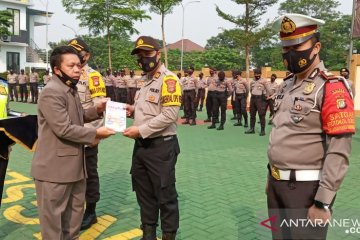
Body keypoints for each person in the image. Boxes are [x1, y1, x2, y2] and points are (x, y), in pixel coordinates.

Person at [267, 14, 355, 239]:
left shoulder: (331, 88)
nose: (290, 53)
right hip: (278, 185)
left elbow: (339, 151)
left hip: (307, 191)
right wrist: (271, 178)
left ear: (316, 47)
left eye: (296, 46)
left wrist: (323, 202)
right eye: (285, 47)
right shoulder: (287, 85)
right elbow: (281, 134)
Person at [31, 46, 115, 240]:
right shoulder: (52, 92)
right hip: (54, 171)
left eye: (79, 65)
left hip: (75, 169)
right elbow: (64, 128)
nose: (78, 69)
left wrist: (97, 109)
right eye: (72, 66)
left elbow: (77, 117)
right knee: (54, 230)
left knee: (72, 226)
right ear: (57, 69)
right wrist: (96, 133)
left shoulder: (69, 89)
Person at [124, 36, 181, 240]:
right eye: (139, 56)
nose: (143, 59)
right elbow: (148, 110)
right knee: (144, 193)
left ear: (158, 53)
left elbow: (169, 115)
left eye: (147, 54)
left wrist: (139, 130)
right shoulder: (145, 80)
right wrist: (132, 111)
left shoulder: (169, 80)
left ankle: (168, 235)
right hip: (141, 147)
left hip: (161, 147)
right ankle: (148, 233)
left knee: (165, 195)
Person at [68, 37, 107, 230]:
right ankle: (74, 208)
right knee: (70, 174)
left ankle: (90, 211)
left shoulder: (93, 76)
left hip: (86, 137)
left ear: (87, 55)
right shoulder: (66, 74)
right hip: (68, 136)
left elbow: (99, 109)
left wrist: (93, 136)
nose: (75, 56)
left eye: (78, 52)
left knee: (89, 174)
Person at [245, 69, 271, 136]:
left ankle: (262, 130)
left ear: (260, 74)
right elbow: (251, 90)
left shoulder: (264, 81)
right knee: (252, 114)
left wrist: (266, 97)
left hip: (260, 99)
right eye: (255, 74)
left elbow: (269, 90)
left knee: (261, 115)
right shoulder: (252, 81)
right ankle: (252, 129)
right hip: (253, 99)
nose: (256, 75)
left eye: (258, 74)